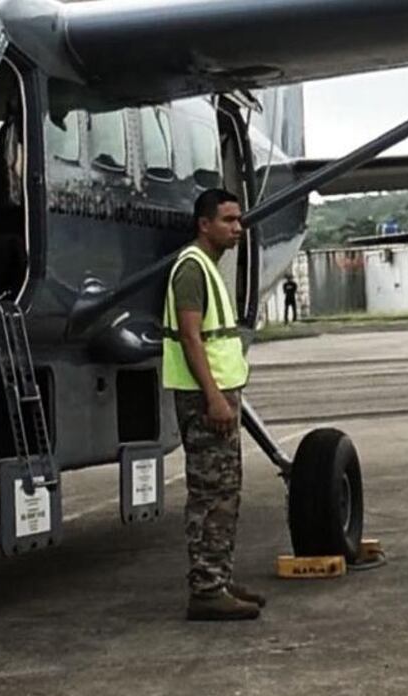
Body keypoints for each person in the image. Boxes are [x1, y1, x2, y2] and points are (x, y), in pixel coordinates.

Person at [163, 188, 265, 621]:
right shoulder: (192, 268)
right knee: (211, 495)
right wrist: (214, 397)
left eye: (238, 220)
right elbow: (191, 337)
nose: (237, 228)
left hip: (218, 394)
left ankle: (217, 577)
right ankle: (206, 589)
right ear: (204, 224)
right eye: (228, 220)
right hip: (207, 399)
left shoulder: (208, 265)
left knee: (226, 491)